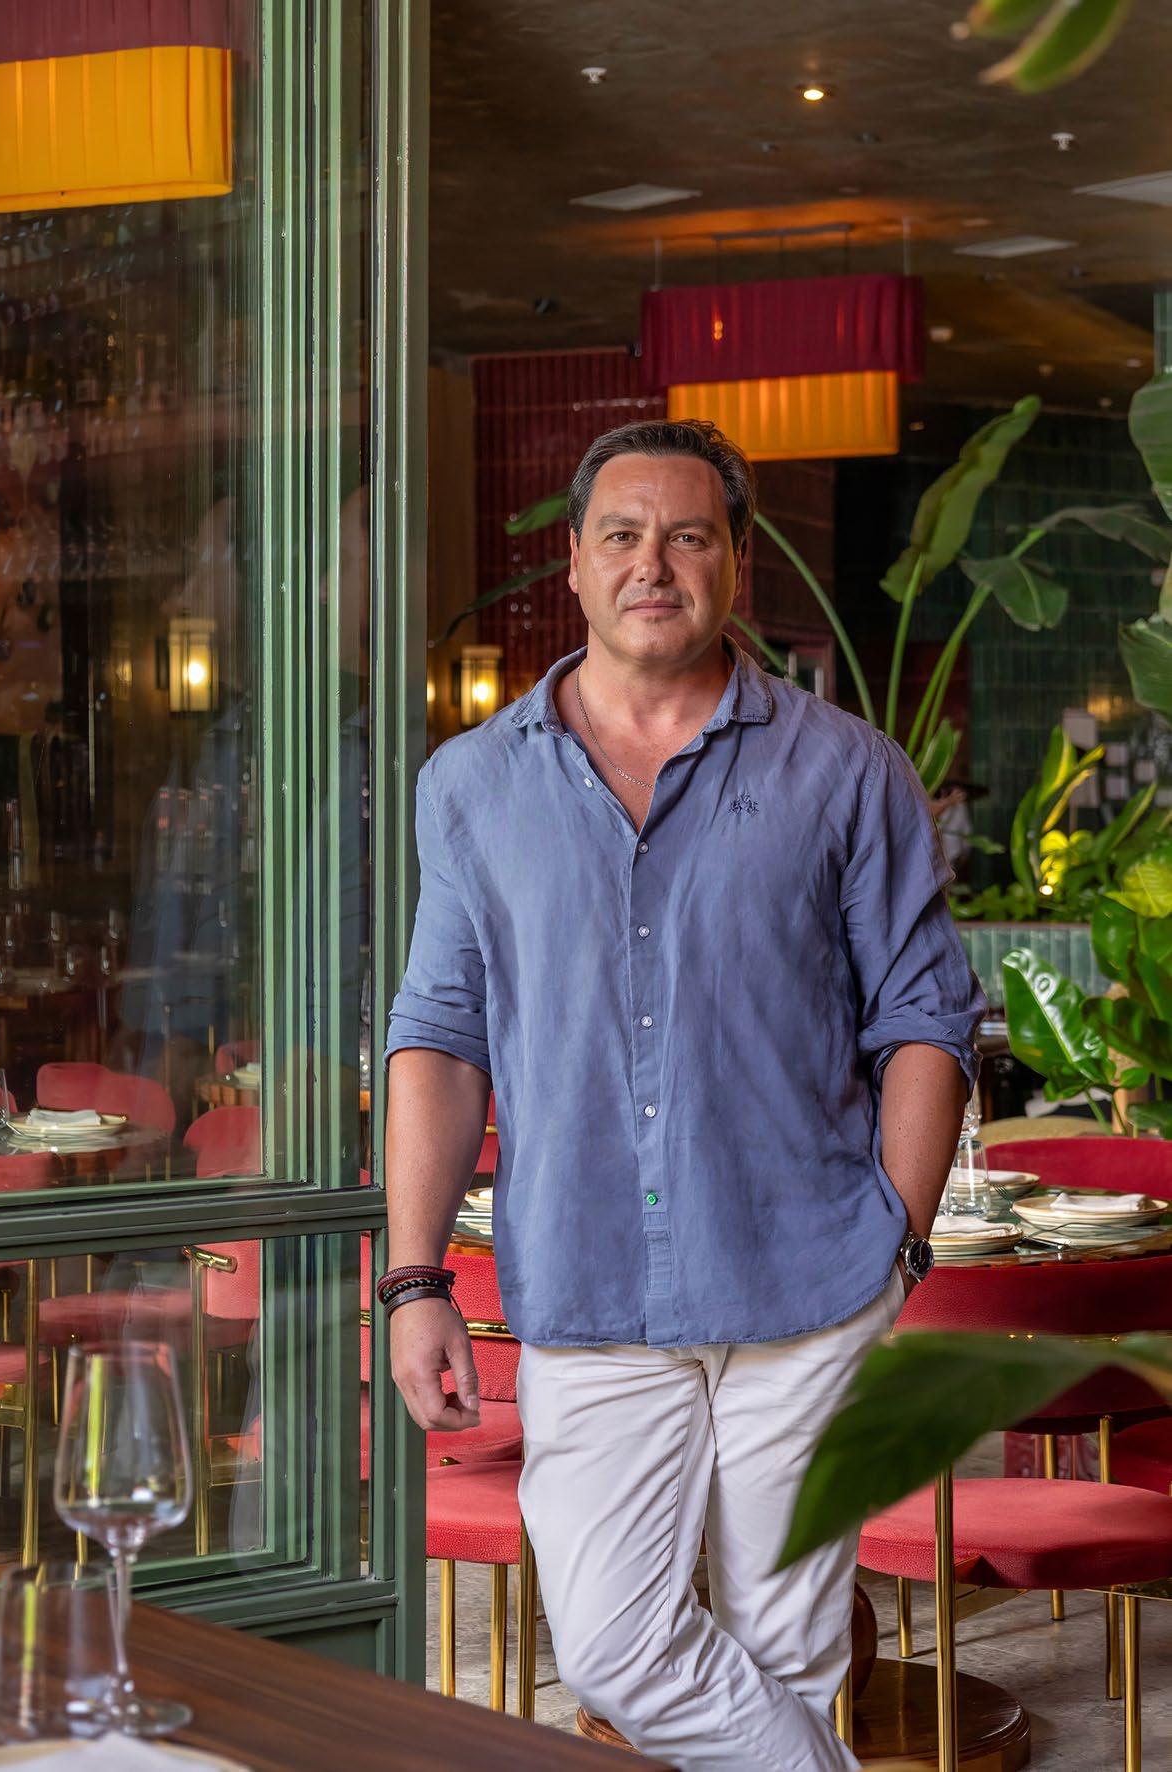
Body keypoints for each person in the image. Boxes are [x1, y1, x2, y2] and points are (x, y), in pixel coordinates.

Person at [384, 419, 984, 1771]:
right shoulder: (472, 786)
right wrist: (414, 1278)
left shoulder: (847, 771)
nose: (652, 563)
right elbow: (439, 1035)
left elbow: (923, 1018)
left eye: (688, 536)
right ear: (576, 566)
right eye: (621, 535)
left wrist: (894, 1242)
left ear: (736, 565)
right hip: (590, 1288)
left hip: (809, 1279)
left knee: (791, 1651)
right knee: (614, 1646)